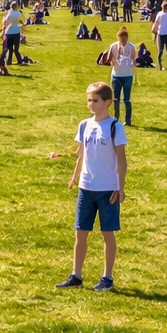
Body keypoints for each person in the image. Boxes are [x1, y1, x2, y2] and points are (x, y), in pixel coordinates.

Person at [57, 82, 127, 292]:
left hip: (108, 189)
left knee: (107, 233)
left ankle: (107, 277)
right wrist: (75, 175)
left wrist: (120, 187)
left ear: (107, 102)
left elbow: (122, 160)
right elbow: (82, 153)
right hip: (86, 188)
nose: (91, 104)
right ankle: (76, 275)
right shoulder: (84, 125)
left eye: (95, 100)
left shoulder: (115, 126)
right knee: (81, 232)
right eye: (89, 100)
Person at [107, 27, 135, 126]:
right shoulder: (113, 46)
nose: (122, 41)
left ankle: (128, 120)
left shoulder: (131, 47)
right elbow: (109, 59)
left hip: (127, 75)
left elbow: (133, 60)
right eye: (121, 39)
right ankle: (115, 118)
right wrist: (113, 61)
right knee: (116, 98)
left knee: (126, 99)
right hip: (116, 75)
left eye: (124, 39)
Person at [152, 3, 167, 70]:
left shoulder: (160, 14)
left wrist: (154, 30)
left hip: (161, 33)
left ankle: (160, 65)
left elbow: (156, 22)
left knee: (160, 50)